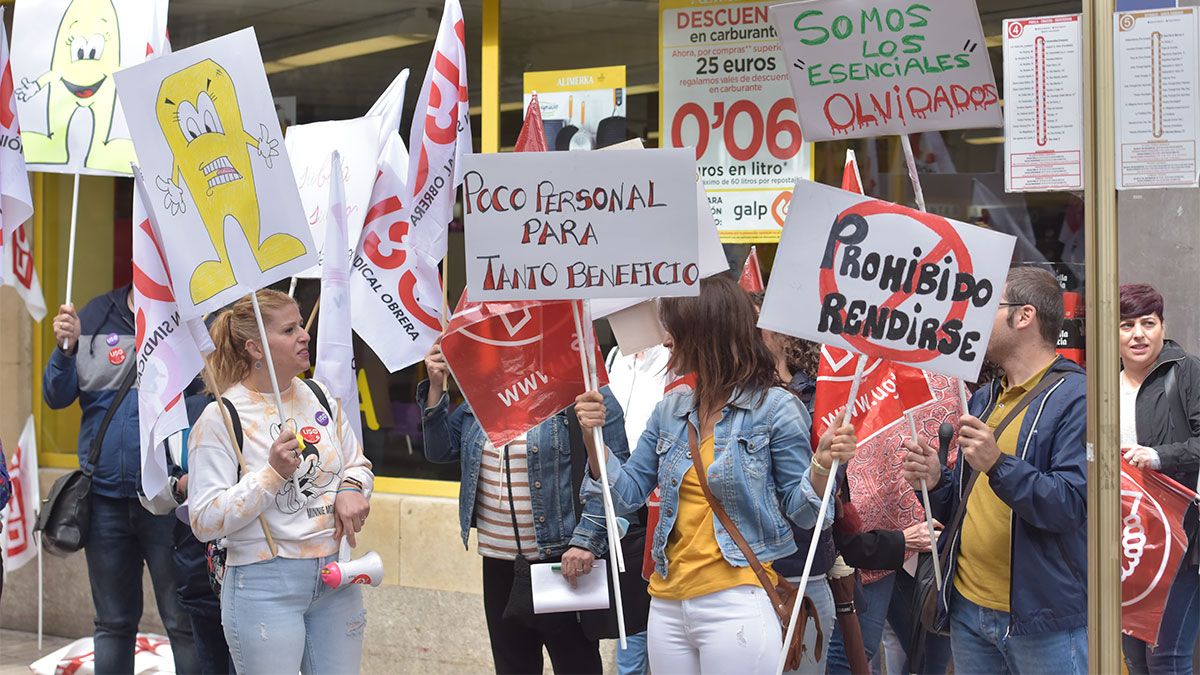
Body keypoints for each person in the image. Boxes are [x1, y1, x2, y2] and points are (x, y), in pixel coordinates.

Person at [574, 275, 857, 674]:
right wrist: (592, 439)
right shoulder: (669, 410)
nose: (664, 337)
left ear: (705, 329)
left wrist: (822, 466)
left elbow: (806, 514)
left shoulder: (776, 409)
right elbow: (625, 495)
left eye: (672, 324)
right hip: (667, 603)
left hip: (737, 602)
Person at [902, 266, 1088, 674]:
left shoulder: (1077, 397)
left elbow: (1068, 505)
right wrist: (934, 482)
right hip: (970, 610)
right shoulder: (988, 396)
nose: (975, 319)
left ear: (1024, 316)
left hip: (1041, 621)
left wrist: (999, 465)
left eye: (989, 307)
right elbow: (966, 505)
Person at [421, 333, 631, 674]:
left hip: (561, 563)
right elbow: (440, 450)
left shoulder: (579, 385)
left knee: (577, 666)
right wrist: (436, 388)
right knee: (512, 668)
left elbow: (616, 480)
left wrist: (587, 541)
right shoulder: (488, 389)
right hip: (499, 563)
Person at [188, 290, 374, 674]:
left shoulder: (321, 396)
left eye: (301, 324)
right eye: (289, 329)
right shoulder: (220, 417)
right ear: (256, 348)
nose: (304, 335)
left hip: (336, 578)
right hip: (263, 583)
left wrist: (352, 489)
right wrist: (271, 475)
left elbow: (357, 464)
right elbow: (204, 519)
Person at [45, 288, 198, 673]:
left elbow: (207, 404)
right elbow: (54, 395)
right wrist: (66, 349)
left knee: (184, 622)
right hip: (105, 503)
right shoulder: (95, 314)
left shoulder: (191, 319)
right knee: (113, 624)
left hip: (169, 503)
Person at [1117, 283, 1200, 674]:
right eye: (1126, 324)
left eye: (1148, 323)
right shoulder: (1102, 386)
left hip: (1183, 538)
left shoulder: (1185, 372)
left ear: (1162, 327)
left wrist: (1159, 455)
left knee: (1166, 657)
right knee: (1133, 655)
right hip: (1129, 540)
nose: (1138, 334)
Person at [605, 344, 671, 675]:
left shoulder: (673, 358)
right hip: (622, 497)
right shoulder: (616, 355)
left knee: (654, 611)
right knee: (629, 616)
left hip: (661, 504)